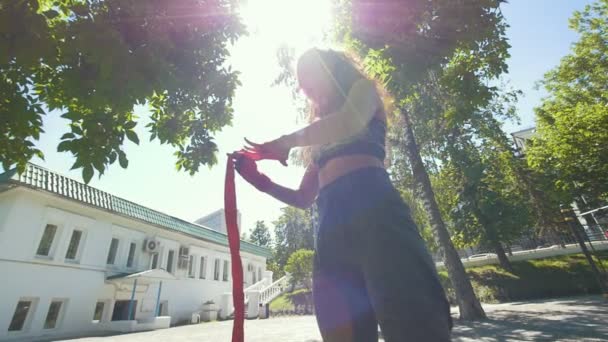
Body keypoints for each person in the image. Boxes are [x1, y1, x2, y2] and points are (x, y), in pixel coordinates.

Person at [233, 48, 452, 341]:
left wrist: (287, 141)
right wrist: (260, 181)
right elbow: (303, 197)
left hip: (376, 211)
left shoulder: (364, 91)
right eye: (298, 81)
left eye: (306, 75)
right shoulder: (320, 141)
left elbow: (350, 122)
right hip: (329, 229)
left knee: (414, 324)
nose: (302, 87)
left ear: (330, 68)